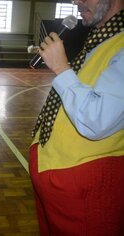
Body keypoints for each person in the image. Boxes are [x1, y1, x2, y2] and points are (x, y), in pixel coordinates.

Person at [29, 1, 124, 235]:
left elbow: (97, 120)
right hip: (57, 182)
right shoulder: (100, 39)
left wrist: (62, 69)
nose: (76, 1)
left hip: (88, 192)